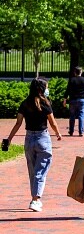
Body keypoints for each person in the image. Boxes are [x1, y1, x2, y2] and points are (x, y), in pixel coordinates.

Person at [5, 78, 62, 212]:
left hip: (29, 139)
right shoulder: (45, 103)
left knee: (33, 171)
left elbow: (18, 123)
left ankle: (35, 198)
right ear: (42, 89)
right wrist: (58, 133)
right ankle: (35, 200)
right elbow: (52, 122)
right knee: (41, 170)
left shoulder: (25, 104)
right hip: (43, 138)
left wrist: (9, 138)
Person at [63, 66, 84, 136]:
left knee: (72, 116)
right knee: (81, 115)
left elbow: (67, 90)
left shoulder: (72, 80)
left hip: (73, 99)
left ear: (75, 72)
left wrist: (65, 99)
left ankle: (71, 131)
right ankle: (81, 132)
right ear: (81, 72)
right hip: (82, 99)